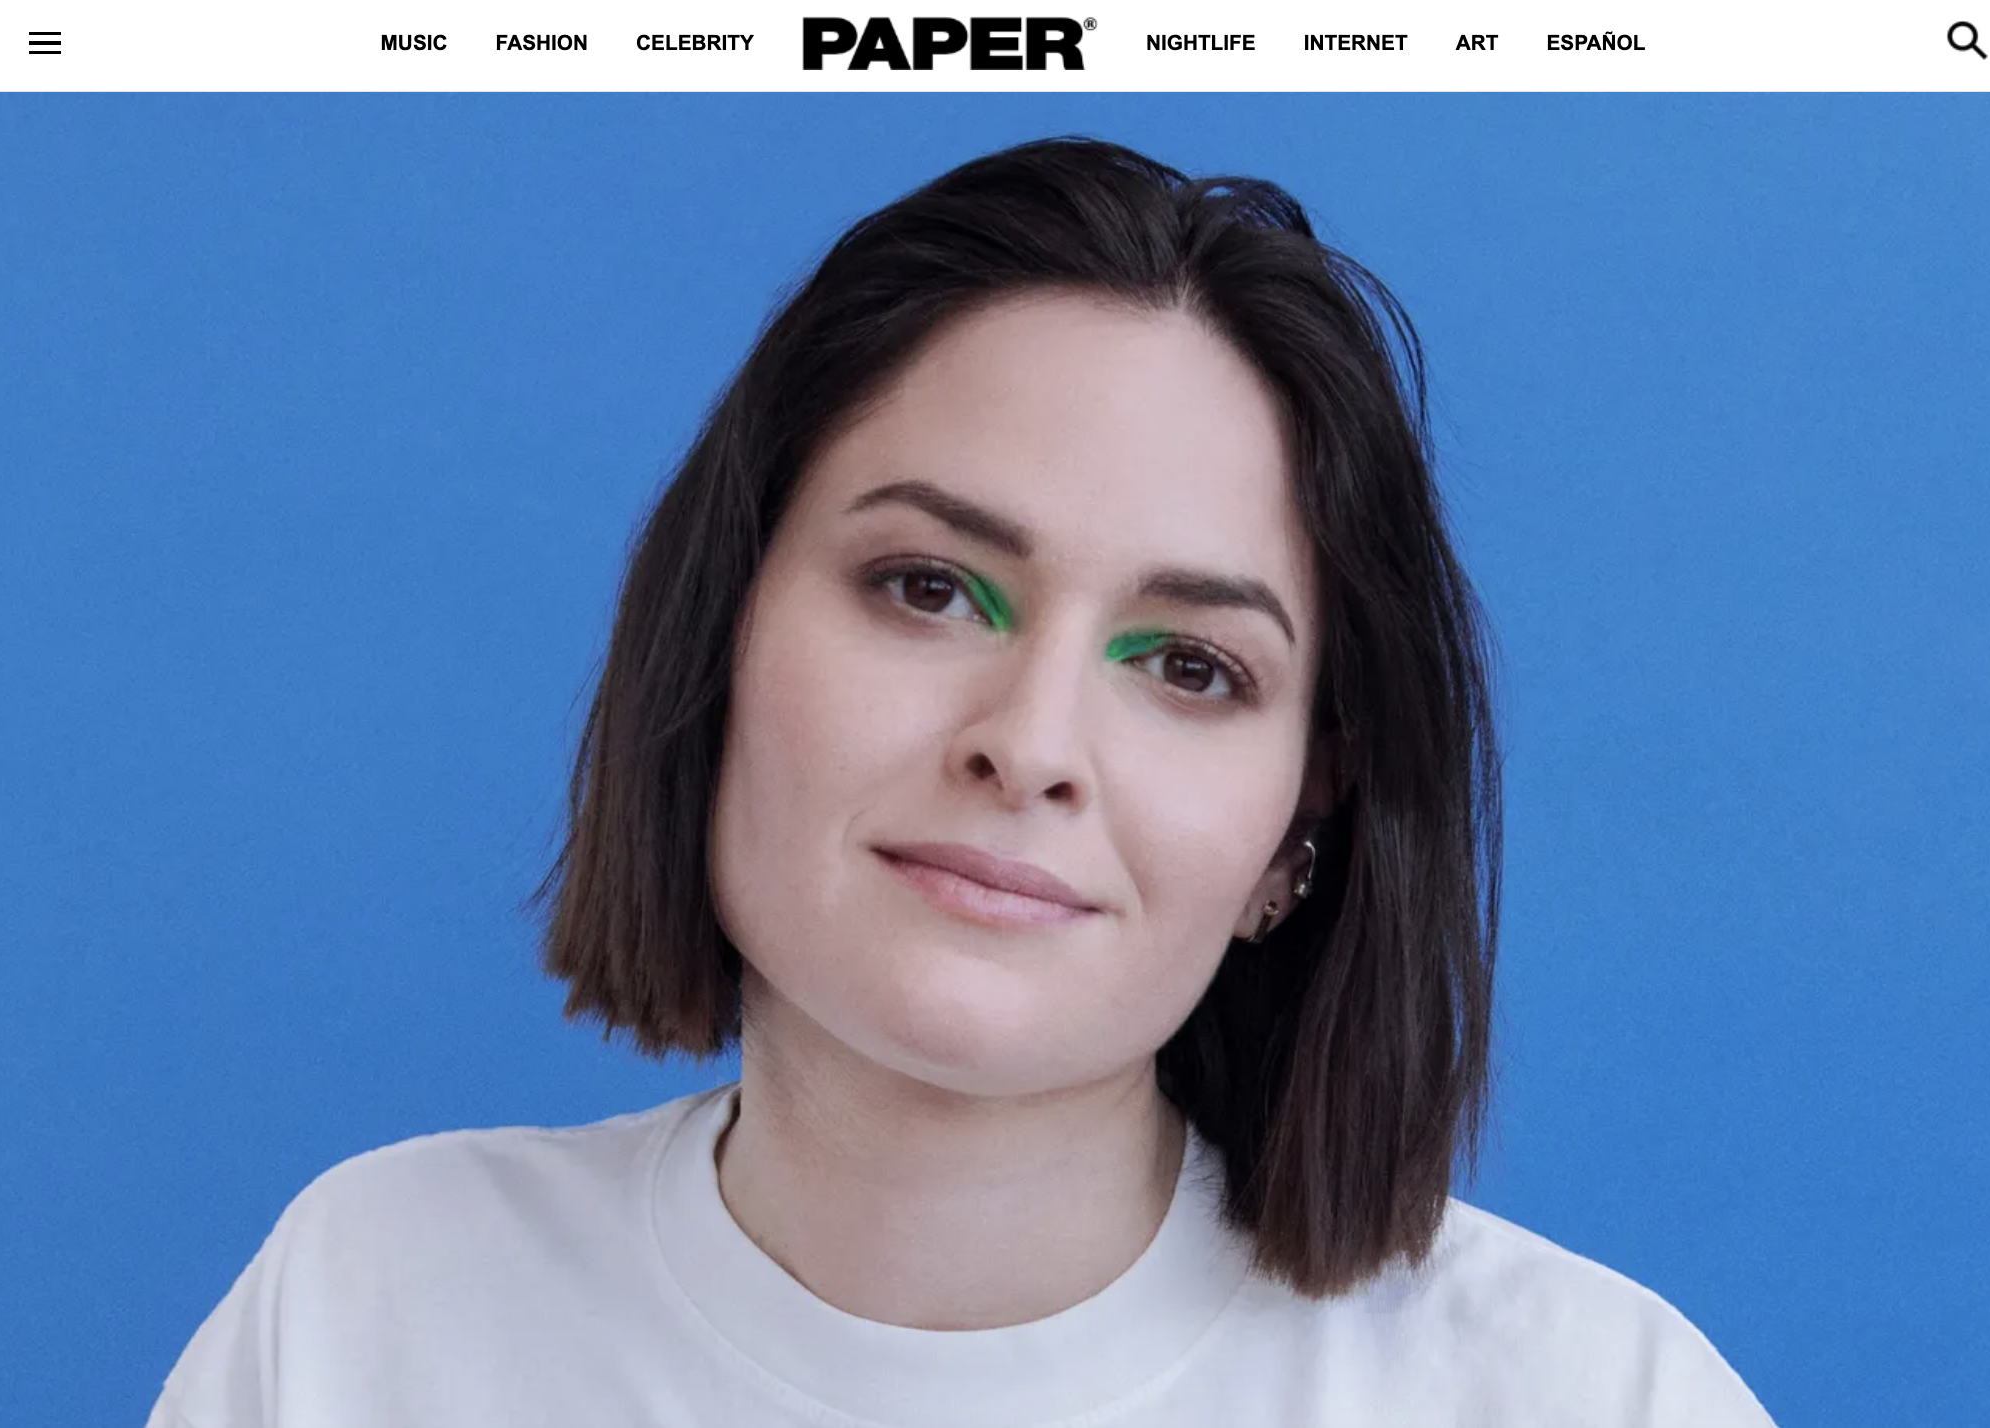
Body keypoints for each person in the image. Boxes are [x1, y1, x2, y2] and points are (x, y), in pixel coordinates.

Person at [146, 137, 1776, 1427]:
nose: (1033, 743)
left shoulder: (1586, 1398)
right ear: (718, 630)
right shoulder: (370, 1310)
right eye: (929, 588)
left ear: (1303, 826)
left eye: (1188, 666)